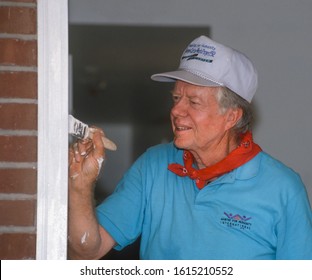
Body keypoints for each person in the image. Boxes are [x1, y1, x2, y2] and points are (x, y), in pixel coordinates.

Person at [68, 35, 312, 260]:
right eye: (176, 98)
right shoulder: (153, 165)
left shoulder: (283, 189)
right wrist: (81, 185)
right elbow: (88, 251)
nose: (176, 111)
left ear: (231, 117)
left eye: (193, 102)